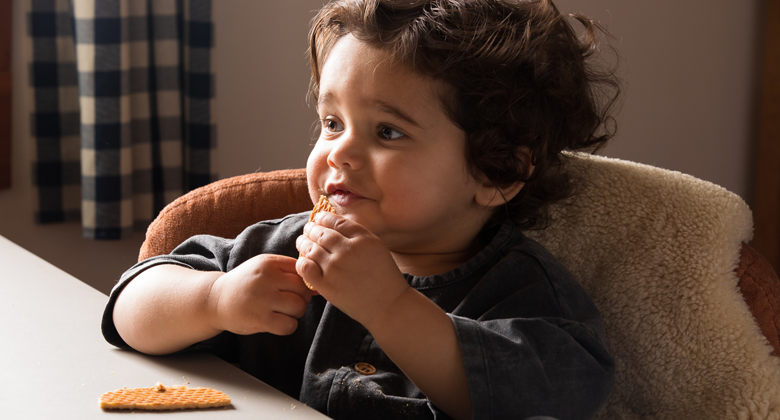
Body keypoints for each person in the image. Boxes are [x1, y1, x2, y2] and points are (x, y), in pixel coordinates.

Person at [102, 0, 622, 419]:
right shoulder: (284, 246)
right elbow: (128, 310)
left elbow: (556, 395)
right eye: (331, 122)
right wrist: (214, 298)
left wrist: (389, 307)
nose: (339, 151)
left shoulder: (522, 293)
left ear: (497, 172)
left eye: (387, 132)